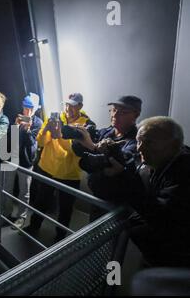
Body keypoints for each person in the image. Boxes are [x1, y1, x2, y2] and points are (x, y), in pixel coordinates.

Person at [26, 93, 95, 242]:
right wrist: (46, 130)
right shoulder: (56, 117)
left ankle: (60, 237)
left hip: (69, 174)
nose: (69, 108)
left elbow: (74, 150)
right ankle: (33, 226)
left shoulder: (86, 125)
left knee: (66, 208)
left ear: (80, 106)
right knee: (41, 201)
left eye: (73, 105)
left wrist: (58, 135)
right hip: (47, 168)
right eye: (67, 104)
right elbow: (41, 142)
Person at [125, 117, 190, 267]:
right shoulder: (160, 160)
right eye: (138, 141)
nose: (139, 148)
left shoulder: (184, 173)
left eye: (148, 142)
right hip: (154, 254)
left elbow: (161, 216)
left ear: (173, 144)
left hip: (176, 262)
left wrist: (125, 181)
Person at [72, 96, 142, 219]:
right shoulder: (105, 132)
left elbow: (118, 163)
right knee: (94, 232)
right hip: (97, 196)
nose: (115, 115)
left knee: (112, 236)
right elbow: (81, 154)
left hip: (117, 203)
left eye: (123, 112)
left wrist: (92, 146)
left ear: (136, 115)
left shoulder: (137, 141)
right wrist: (78, 138)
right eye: (114, 110)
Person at [9, 93, 43, 229]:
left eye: (30, 108)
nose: (27, 111)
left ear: (35, 109)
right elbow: (11, 137)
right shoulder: (18, 118)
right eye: (25, 108)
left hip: (26, 161)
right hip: (12, 158)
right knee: (7, 187)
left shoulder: (38, 122)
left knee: (24, 191)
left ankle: (21, 217)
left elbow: (31, 142)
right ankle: (6, 213)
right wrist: (16, 126)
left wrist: (28, 129)